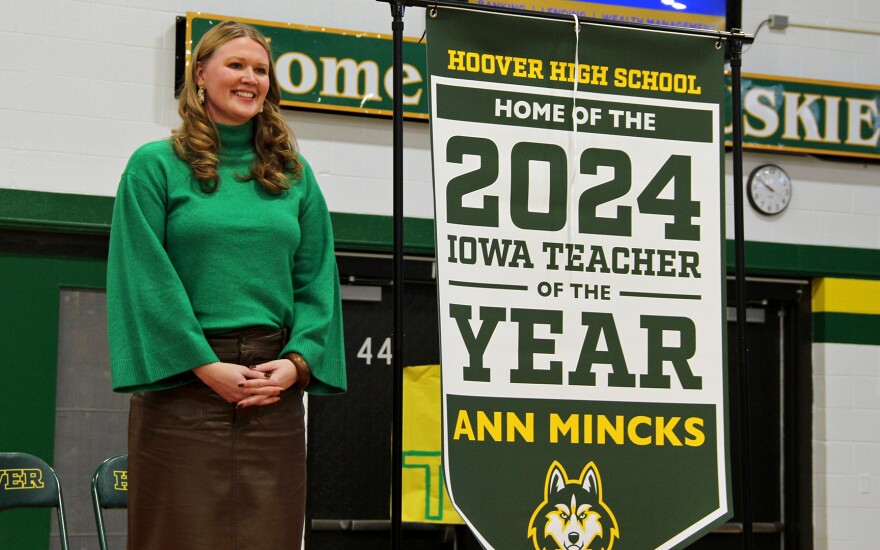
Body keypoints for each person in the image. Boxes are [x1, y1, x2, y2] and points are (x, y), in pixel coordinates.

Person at [106, 20, 346, 549]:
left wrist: (296, 363)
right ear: (200, 74)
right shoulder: (154, 166)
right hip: (183, 388)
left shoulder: (293, 175)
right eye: (236, 64)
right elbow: (143, 279)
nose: (250, 78)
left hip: (271, 390)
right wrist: (205, 365)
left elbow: (316, 282)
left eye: (260, 69)